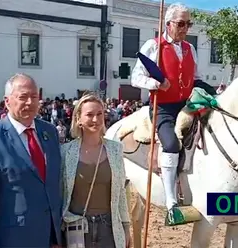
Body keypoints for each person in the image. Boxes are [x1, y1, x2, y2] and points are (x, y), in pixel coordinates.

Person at [0, 73, 62, 248]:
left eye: (34, 97)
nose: (30, 102)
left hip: (51, 237)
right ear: (7, 101)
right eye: (23, 97)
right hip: (13, 240)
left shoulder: (49, 132)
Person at [130, 2, 202, 226]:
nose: (185, 28)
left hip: (186, 104)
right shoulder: (153, 46)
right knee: (171, 144)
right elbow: (135, 78)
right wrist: (155, 84)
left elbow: (195, 77)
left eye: (188, 24)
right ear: (168, 24)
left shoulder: (191, 49)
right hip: (162, 107)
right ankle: (172, 204)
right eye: (181, 24)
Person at [61, 94, 131, 247]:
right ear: (78, 119)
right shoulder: (66, 152)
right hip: (77, 228)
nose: (96, 119)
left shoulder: (115, 149)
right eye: (89, 115)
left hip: (109, 228)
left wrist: (126, 226)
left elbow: (120, 192)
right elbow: (61, 194)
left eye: (99, 114)